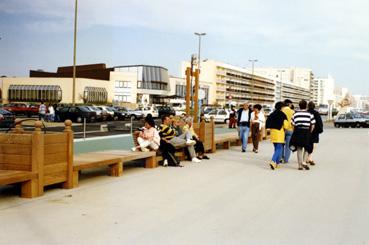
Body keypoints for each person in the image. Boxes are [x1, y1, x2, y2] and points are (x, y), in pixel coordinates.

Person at [290, 100, 316, 170]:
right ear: (306, 106)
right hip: (306, 131)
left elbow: (292, 124)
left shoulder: (295, 114)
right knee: (307, 147)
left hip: (298, 131)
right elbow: (313, 124)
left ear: (299, 106)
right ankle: (304, 161)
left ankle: (300, 166)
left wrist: (294, 131)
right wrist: (310, 132)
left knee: (299, 148)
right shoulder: (310, 114)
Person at [265, 101, 289, 170]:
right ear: (281, 107)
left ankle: (277, 164)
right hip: (279, 133)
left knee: (276, 148)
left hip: (273, 133)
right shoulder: (282, 114)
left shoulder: (272, 114)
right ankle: (273, 161)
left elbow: (268, 122)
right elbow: (286, 126)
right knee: (279, 148)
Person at [307, 101, 323, 165]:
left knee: (306, 144)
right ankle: (309, 157)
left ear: (308, 106)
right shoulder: (316, 113)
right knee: (312, 144)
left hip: (306, 131)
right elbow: (319, 123)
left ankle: (305, 157)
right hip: (314, 131)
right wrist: (320, 130)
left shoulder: (306, 112)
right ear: (314, 106)